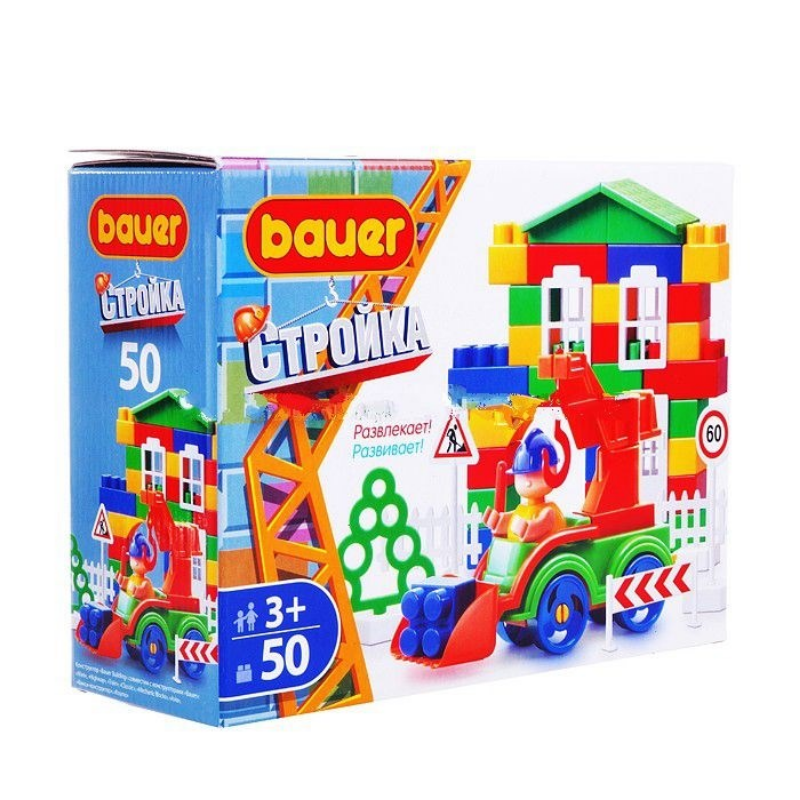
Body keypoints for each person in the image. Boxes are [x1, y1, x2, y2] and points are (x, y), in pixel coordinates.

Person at [483, 427, 566, 543]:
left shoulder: (549, 512)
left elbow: (540, 526)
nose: (527, 482)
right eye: (521, 476)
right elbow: (511, 520)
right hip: (516, 551)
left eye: (535, 475)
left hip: (544, 552)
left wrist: (527, 529)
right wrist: (498, 521)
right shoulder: (522, 509)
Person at [117, 531, 156, 601]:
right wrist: (122, 580)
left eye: (139, 561)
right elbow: (127, 583)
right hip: (129, 605)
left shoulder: (146, 583)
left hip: (144, 606)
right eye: (133, 559)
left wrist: (137, 590)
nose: (136, 563)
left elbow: (141, 590)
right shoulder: (133, 577)